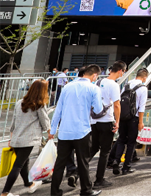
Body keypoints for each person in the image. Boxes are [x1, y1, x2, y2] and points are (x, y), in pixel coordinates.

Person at [50, 64, 103, 196]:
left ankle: (55, 192)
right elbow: (98, 110)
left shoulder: (67, 87)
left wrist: (52, 130)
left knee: (60, 163)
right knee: (83, 162)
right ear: (94, 75)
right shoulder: (94, 88)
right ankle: (86, 190)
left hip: (64, 131)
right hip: (82, 131)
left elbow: (58, 110)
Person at [4, 79, 50, 196]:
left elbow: (13, 122)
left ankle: (29, 184)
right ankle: (5, 192)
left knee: (24, 163)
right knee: (18, 165)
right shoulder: (39, 104)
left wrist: (11, 138)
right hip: (29, 139)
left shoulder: (19, 102)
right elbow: (45, 123)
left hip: (16, 138)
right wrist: (50, 132)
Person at [89, 61, 125, 188]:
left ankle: (76, 173)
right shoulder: (114, 85)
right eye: (123, 71)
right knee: (105, 152)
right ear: (120, 71)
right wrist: (117, 121)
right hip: (106, 120)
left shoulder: (98, 82)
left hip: (94, 121)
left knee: (93, 148)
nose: (122, 74)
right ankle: (99, 180)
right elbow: (117, 105)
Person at [112, 68, 148, 176]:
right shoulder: (143, 88)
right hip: (133, 119)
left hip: (123, 117)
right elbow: (141, 107)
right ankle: (126, 167)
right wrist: (140, 122)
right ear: (144, 77)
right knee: (131, 143)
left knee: (121, 140)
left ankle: (116, 161)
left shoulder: (127, 85)